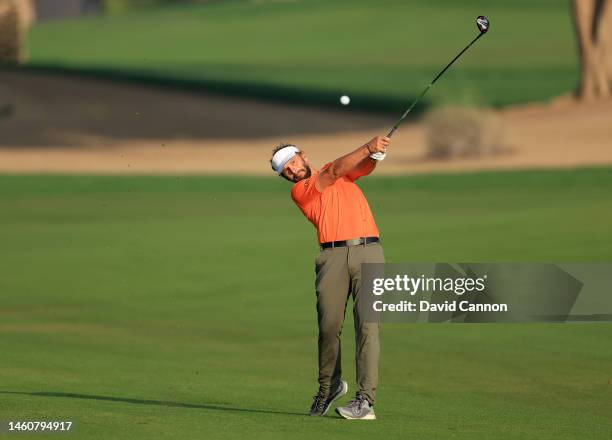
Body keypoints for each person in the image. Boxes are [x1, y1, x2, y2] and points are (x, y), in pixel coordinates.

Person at [269, 136, 390, 420]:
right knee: (328, 329)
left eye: (294, 161)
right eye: (285, 169)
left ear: (304, 156)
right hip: (331, 258)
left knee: (368, 328)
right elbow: (335, 170)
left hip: (369, 251)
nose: (292, 169)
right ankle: (329, 387)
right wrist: (368, 147)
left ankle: (365, 401)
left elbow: (361, 169)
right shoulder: (302, 190)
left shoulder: (336, 171)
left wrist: (374, 155)